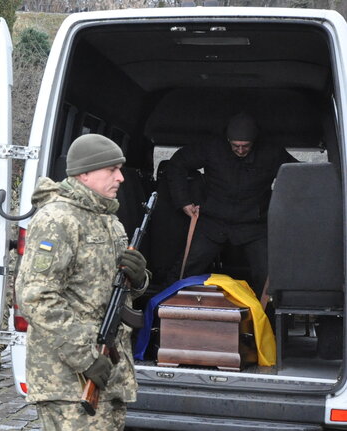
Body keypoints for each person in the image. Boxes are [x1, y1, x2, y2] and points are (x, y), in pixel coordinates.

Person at [16, 134, 149, 430]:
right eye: (111, 170)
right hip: (68, 380)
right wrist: (87, 358)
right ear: (84, 174)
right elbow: (36, 298)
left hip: (106, 373)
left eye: (120, 169)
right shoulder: (57, 219)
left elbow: (112, 289)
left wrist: (139, 278)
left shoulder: (108, 219)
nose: (120, 178)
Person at [167, 112, 296, 297]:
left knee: (269, 275)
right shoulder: (212, 147)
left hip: (254, 224)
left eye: (246, 146)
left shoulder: (272, 152)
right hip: (213, 221)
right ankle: (164, 314)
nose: (241, 150)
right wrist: (184, 201)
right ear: (228, 139)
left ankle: (269, 322)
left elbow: (296, 176)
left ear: (255, 141)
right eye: (236, 146)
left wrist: (284, 210)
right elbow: (177, 163)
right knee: (186, 268)